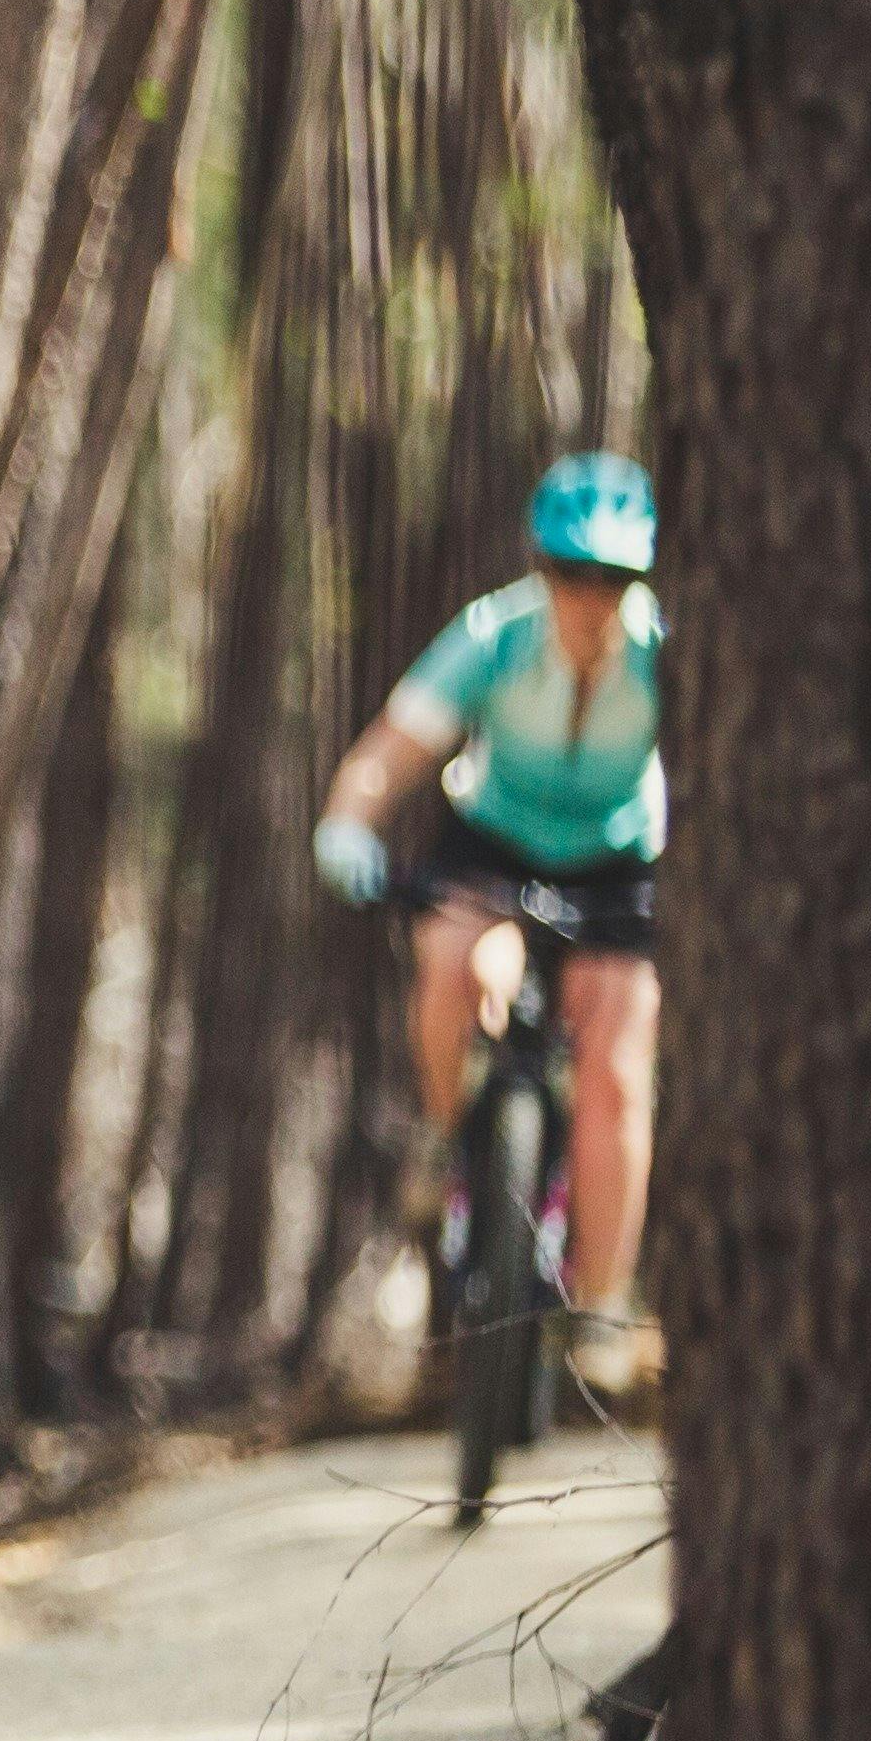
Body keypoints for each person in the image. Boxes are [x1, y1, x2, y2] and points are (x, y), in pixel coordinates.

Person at [313, 451, 664, 1324]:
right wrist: (347, 829)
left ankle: (601, 1308)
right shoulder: (493, 637)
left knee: (617, 1067)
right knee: (455, 964)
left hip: (618, 861)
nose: (592, 598)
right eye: (572, 573)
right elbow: (386, 756)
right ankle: (447, 1147)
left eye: (615, 577)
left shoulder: (667, 653)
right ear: (542, 569)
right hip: (492, 844)